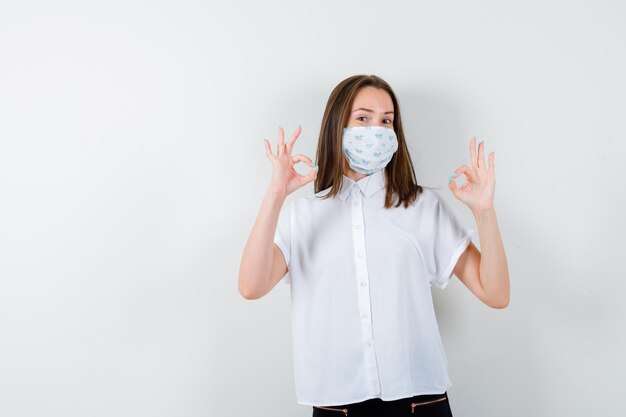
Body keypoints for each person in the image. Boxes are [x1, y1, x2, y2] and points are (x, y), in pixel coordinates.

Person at [238, 74, 510, 417]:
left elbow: (496, 293)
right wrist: (275, 195)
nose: (376, 131)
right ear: (338, 126)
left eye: (386, 121)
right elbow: (250, 286)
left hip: (420, 403)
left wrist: (485, 213)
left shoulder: (422, 206)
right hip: (337, 407)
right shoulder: (303, 215)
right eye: (363, 118)